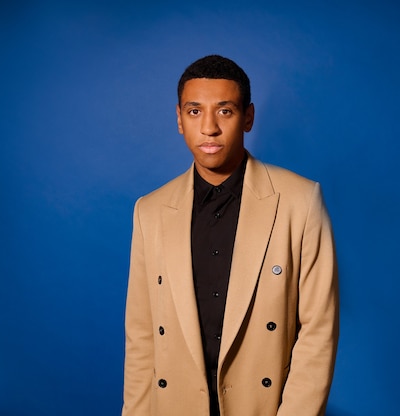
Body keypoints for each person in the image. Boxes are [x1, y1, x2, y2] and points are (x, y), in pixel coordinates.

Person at [122, 55, 339, 416]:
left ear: (248, 117)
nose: (209, 128)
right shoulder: (150, 210)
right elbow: (142, 338)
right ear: (178, 118)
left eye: (224, 111)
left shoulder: (300, 201)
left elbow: (318, 331)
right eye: (194, 112)